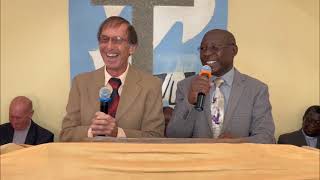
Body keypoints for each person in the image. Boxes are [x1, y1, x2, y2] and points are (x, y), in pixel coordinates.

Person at [60, 16, 164, 141]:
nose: (109, 47)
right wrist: (93, 131)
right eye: (104, 40)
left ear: (132, 48)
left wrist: (117, 133)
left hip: (129, 159)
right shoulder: (81, 83)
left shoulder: (151, 85)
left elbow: (155, 137)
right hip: (88, 159)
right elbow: (65, 135)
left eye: (117, 40)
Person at [166, 29, 275, 144]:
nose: (206, 53)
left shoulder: (256, 89)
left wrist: (238, 143)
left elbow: (266, 138)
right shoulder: (186, 86)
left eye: (215, 48)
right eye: (203, 48)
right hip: (197, 160)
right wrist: (189, 102)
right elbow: (174, 135)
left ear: (233, 50)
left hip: (237, 160)